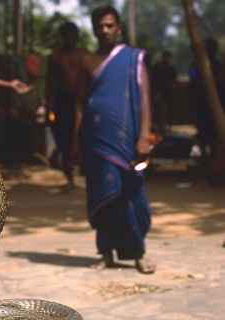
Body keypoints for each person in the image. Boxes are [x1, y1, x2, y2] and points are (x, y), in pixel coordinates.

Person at [71, 6, 155, 274]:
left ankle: (138, 253)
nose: (105, 30)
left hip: (126, 138)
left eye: (109, 25)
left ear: (119, 28)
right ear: (94, 29)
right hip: (94, 138)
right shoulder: (87, 61)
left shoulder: (135, 58)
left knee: (129, 193)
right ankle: (105, 253)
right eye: (100, 26)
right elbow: (81, 103)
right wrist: (75, 140)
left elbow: (144, 100)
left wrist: (144, 137)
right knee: (101, 194)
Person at [46, 22, 88, 188]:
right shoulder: (56, 57)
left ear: (76, 38)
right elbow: (50, 82)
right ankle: (69, 177)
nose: (69, 40)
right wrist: (48, 105)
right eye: (66, 37)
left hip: (80, 99)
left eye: (71, 37)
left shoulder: (84, 55)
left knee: (82, 136)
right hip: (61, 100)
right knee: (63, 138)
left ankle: (85, 173)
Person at [189, 38, 225, 163]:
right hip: (202, 105)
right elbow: (194, 84)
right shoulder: (196, 66)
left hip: (216, 106)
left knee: (214, 134)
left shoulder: (219, 66)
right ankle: (204, 158)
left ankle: (213, 158)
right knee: (203, 133)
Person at [152, 51, 176, 134]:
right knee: (159, 110)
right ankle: (158, 126)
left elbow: (173, 81)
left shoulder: (171, 69)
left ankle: (164, 126)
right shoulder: (157, 67)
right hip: (158, 91)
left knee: (165, 110)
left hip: (167, 93)